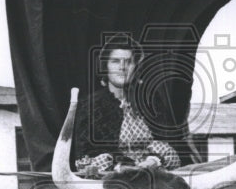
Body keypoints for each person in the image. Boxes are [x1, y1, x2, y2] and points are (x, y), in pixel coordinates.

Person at [73, 34, 183, 175]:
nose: (122, 67)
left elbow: (169, 143)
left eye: (128, 62)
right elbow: (85, 155)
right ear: (105, 66)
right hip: (111, 175)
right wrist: (126, 164)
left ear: (135, 66)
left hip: (153, 172)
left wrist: (153, 161)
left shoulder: (150, 100)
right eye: (115, 61)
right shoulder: (90, 105)